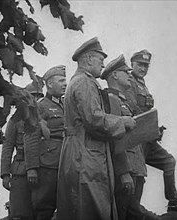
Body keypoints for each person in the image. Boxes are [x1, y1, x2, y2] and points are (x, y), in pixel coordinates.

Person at [57, 37, 136, 220]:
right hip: (85, 154)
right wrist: (122, 121)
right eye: (100, 60)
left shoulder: (77, 81)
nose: (102, 65)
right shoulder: (85, 82)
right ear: (89, 59)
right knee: (93, 207)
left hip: (78, 150)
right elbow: (94, 120)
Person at [124, 49, 177, 212]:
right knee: (137, 177)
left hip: (148, 138)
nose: (143, 68)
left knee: (169, 162)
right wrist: (151, 128)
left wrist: (156, 129)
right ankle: (132, 212)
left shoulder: (143, 85)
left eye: (146, 66)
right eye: (140, 65)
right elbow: (133, 109)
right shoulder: (129, 83)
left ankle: (173, 202)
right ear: (132, 64)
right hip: (136, 139)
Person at [101, 54, 160, 220]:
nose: (129, 75)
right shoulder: (112, 100)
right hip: (127, 166)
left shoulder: (124, 101)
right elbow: (116, 138)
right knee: (126, 212)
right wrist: (123, 172)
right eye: (124, 72)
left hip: (135, 164)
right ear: (114, 75)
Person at [24, 65, 67, 220]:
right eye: (61, 80)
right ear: (49, 84)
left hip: (66, 161)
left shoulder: (67, 105)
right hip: (48, 164)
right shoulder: (39, 106)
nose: (65, 83)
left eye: (65, 80)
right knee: (44, 207)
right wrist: (32, 168)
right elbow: (30, 137)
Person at [0, 82, 44, 220]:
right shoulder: (15, 120)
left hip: (42, 169)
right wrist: (5, 174)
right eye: (33, 96)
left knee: (41, 212)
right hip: (20, 171)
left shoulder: (43, 119)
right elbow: (7, 147)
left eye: (38, 97)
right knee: (20, 213)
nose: (35, 100)